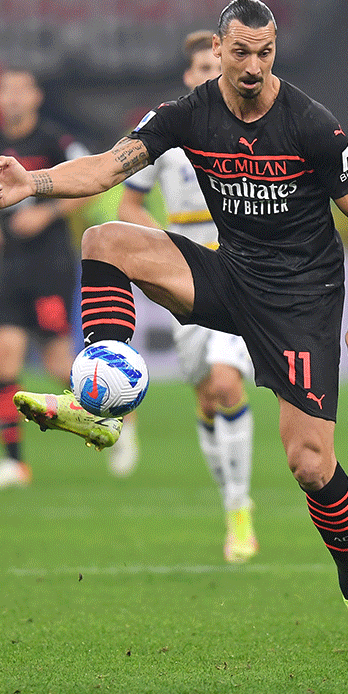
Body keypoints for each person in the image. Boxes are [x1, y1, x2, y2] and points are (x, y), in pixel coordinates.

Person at [0, 0, 348, 662]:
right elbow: (110, 168)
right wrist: (33, 182)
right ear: (222, 50)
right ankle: (102, 406)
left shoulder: (311, 122)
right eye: (241, 52)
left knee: (310, 464)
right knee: (105, 237)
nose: (254, 65)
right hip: (231, 275)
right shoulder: (189, 114)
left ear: (274, 51)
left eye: (265, 53)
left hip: (302, 300)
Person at [116, 29, 259, 563]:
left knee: (225, 384)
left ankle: (240, 513)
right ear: (188, 74)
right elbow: (129, 206)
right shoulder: (169, 128)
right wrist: (167, 252)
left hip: (244, 274)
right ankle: (230, 504)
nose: (208, 74)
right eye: (200, 66)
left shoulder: (252, 125)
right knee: (204, 397)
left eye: (215, 65)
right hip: (189, 277)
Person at [0, 69, 101, 489]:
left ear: (35, 96)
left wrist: (45, 212)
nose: (10, 97)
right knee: (3, 359)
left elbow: (91, 186)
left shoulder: (56, 141)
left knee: (56, 364)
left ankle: (113, 410)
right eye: (4, 89)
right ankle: (13, 462)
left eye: (19, 89)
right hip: (10, 264)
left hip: (49, 264)